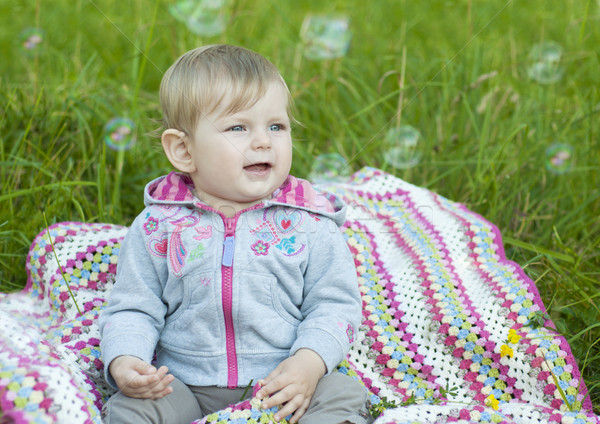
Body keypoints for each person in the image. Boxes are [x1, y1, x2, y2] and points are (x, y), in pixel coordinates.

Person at [99, 44, 372, 424]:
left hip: (282, 385)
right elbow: (134, 307)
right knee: (135, 406)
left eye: (276, 126)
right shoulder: (157, 224)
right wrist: (126, 360)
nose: (263, 141)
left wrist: (308, 364)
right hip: (185, 386)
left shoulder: (310, 223)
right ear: (183, 150)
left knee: (342, 393)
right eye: (238, 127)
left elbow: (334, 305)